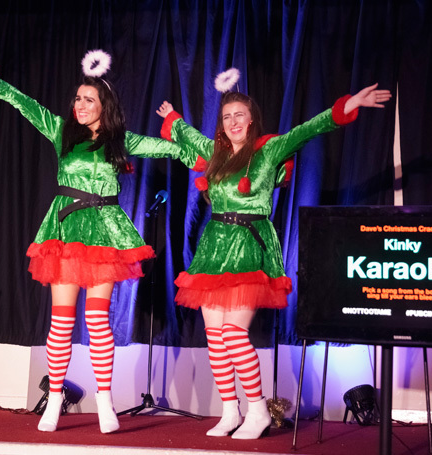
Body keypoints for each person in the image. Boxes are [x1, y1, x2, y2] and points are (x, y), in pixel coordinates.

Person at [0, 51, 196, 434]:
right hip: (65, 235)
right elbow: (21, 101)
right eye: (77, 99)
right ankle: (57, 397)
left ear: (104, 106)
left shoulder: (121, 141)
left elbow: (173, 149)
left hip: (105, 236)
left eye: (89, 100)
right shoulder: (62, 131)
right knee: (61, 322)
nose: (80, 105)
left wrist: (200, 145)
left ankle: (104, 401)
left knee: (98, 321)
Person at [156, 77, 391, 439]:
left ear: (251, 121)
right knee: (215, 337)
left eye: (240, 115)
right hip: (214, 249)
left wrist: (348, 105)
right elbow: (187, 137)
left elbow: (308, 129)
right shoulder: (215, 154)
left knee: (234, 335)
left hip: (249, 246)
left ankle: (257, 411)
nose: (233, 122)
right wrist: (173, 117)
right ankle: (229, 411)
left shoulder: (268, 151)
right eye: (227, 116)